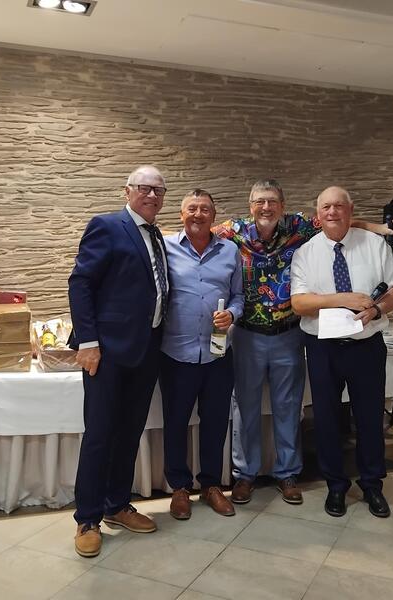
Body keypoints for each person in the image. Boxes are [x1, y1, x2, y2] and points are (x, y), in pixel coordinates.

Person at [213, 179, 393, 505]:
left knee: (289, 407)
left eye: (272, 201)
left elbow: (339, 219)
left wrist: (380, 228)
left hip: (289, 334)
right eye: (260, 201)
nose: (266, 207)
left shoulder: (298, 227)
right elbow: (199, 230)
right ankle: (246, 475)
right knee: (245, 407)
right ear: (250, 205)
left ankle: (288, 474)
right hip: (248, 334)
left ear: (283, 206)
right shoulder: (235, 231)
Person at [67, 165, 170, 557]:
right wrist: (88, 342)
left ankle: (116, 505)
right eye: (144, 188)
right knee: (100, 434)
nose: (152, 195)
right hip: (107, 352)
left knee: (129, 432)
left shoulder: (155, 234)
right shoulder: (107, 226)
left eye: (159, 190)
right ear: (127, 191)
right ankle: (87, 518)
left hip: (146, 350)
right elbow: (81, 283)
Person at [290, 186, 393, 519]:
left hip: (366, 345)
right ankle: (336, 486)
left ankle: (372, 485)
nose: (332, 212)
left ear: (350, 211)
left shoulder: (374, 245)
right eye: (326, 207)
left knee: (370, 418)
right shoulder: (305, 253)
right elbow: (299, 304)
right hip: (323, 346)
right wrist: (344, 299)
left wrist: (377, 310)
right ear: (318, 214)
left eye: (339, 206)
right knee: (326, 419)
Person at [160, 189, 244, 520]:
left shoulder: (230, 250)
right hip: (175, 354)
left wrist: (232, 314)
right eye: (192, 209)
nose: (198, 214)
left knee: (215, 421)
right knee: (175, 422)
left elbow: (238, 295)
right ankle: (179, 488)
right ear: (181, 215)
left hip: (218, 354)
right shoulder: (165, 248)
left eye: (205, 209)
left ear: (214, 215)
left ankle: (211, 485)